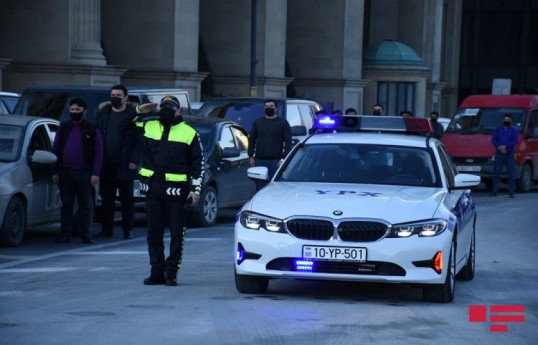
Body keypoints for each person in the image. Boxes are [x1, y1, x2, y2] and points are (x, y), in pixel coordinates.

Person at [135, 95, 204, 286]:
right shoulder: (147, 126)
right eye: (163, 107)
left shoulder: (189, 132)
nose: (166, 111)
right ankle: (156, 272)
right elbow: (123, 123)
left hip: (177, 193)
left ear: (179, 111)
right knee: (153, 234)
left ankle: (171, 273)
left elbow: (198, 164)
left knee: (176, 235)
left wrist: (195, 190)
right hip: (153, 190)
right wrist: (140, 111)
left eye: (171, 108)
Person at [52, 98, 103, 244]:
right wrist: (55, 171)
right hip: (65, 173)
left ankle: (86, 234)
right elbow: (55, 150)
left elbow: (99, 152)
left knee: (85, 205)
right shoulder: (64, 127)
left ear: (84, 111)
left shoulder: (92, 129)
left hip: (84, 173)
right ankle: (65, 234)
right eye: (72, 110)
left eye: (77, 110)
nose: (74, 112)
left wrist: (96, 173)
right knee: (66, 205)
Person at [94, 84, 140, 240]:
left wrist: (134, 160)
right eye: (113, 95)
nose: (115, 97)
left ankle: (128, 230)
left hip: (126, 164)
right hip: (106, 164)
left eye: (118, 95)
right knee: (107, 199)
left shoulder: (133, 116)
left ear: (125, 98)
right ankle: (107, 229)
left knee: (127, 199)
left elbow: (139, 141)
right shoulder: (103, 114)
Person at [248, 99, 292, 191]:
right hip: (259, 160)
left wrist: (283, 159)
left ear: (276, 109)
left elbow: (288, 142)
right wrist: (251, 156)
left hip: (276, 161)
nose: (269, 108)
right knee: (260, 188)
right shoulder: (258, 123)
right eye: (267, 106)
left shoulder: (283, 123)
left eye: (271, 106)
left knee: (275, 187)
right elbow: (252, 140)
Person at [490, 114, 518, 198]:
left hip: (509, 154)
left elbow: (515, 140)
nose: (506, 121)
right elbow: (493, 139)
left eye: (508, 120)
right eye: (505, 119)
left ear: (511, 122)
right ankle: (494, 191)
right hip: (499, 154)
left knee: (511, 174)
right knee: (497, 173)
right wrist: (499, 147)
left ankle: (511, 192)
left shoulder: (513, 130)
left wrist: (506, 146)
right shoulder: (498, 129)